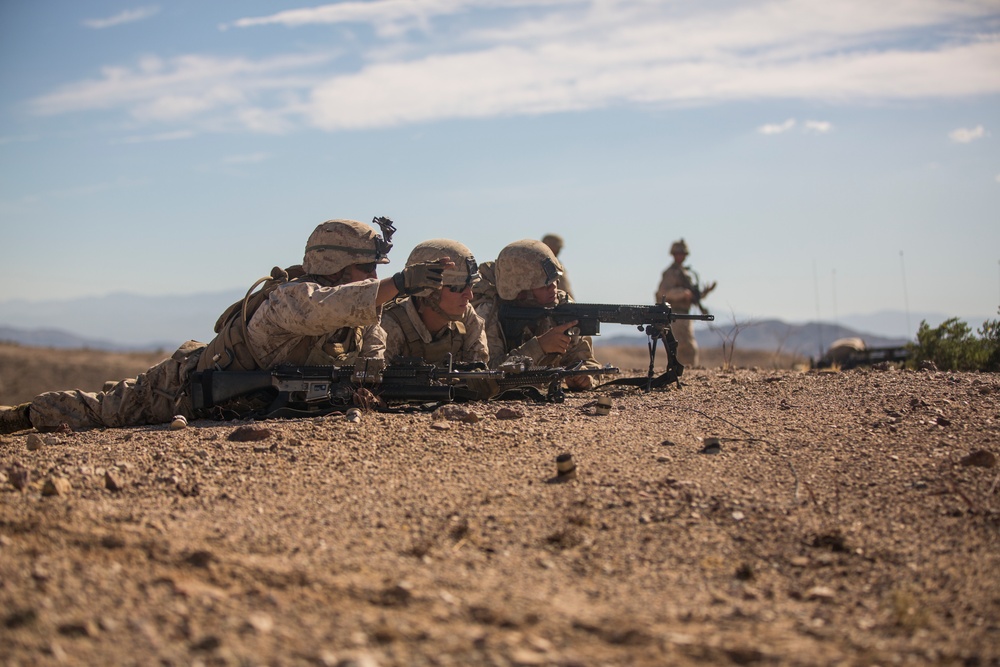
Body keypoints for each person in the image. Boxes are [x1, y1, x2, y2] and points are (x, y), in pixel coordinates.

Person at [0, 218, 449, 434]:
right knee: (101, 411)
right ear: (334, 266)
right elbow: (323, 310)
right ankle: (21, 416)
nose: (372, 279)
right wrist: (398, 284)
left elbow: (370, 351)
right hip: (185, 386)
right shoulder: (291, 299)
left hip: (248, 405)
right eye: (364, 269)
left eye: (377, 271)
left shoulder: (359, 314)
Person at [475, 239, 602, 390]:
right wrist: (538, 347)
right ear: (521, 292)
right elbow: (485, 375)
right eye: (544, 284)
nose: (553, 288)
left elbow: (588, 363)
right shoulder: (489, 312)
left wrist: (583, 377)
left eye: (555, 280)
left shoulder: (562, 307)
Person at [382, 239, 489, 366]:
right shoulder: (391, 325)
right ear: (428, 292)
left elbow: (479, 372)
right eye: (457, 288)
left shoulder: (467, 317)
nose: (469, 296)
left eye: (470, 286)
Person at [655, 238, 716, 368]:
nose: (680, 256)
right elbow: (664, 292)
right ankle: (684, 370)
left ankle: (688, 370)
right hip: (675, 314)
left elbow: (694, 296)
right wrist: (682, 293)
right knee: (683, 345)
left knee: (687, 345)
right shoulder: (670, 273)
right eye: (678, 254)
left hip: (685, 314)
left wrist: (704, 292)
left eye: (682, 254)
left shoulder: (686, 273)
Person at [541, 233, 575, 300]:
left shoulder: (536, 261)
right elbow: (564, 288)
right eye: (557, 247)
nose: (559, 251)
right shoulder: (552, 264)